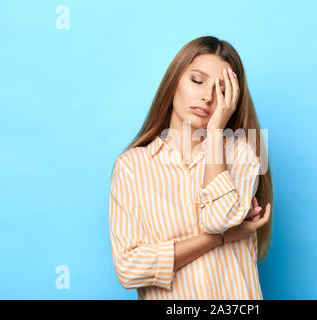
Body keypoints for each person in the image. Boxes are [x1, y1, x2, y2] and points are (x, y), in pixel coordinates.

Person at [109, 36, 274, 300]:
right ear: (174, 81)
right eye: (197, 81)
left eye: (221, 89)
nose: (207, 97)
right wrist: (220, 239)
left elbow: (217, 219)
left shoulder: (244, 151)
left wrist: (216, 131)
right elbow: (129, 269)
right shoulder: (131, 166)